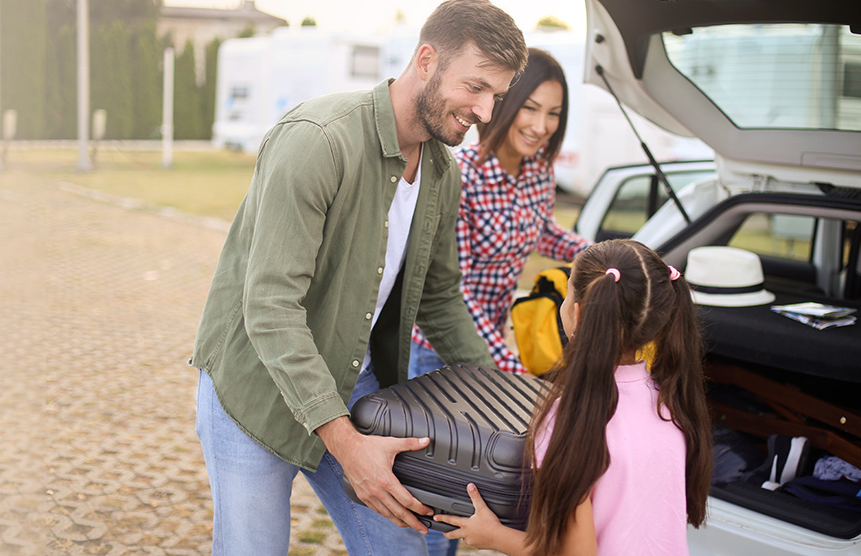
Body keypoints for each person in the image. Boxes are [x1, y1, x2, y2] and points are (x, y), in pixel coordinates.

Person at [188, 1, 527, 554]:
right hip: (253, 391)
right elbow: (270, 306)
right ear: (425, 60)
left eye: (497, 95)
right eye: (475, 87)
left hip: (354, 384)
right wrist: (346, 445)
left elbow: (439, 299)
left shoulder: (443, 172)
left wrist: (504, 403)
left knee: (401, 546)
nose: (487, 112)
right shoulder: (317, 141)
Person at [433, 238, 714, 555]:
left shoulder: (573, 416)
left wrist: (493, 535)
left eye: (567, 292)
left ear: (577, 314)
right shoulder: (672, 401)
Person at [409, 47, 593, 387]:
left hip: (493, 340)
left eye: (554, 113)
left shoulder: (540, 171)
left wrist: (599, 254)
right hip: (437, 351)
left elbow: (540, 230)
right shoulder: (461, 176)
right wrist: (508, 366)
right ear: (505, 102)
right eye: (530, 108)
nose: (541, 127)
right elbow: (454, 291)